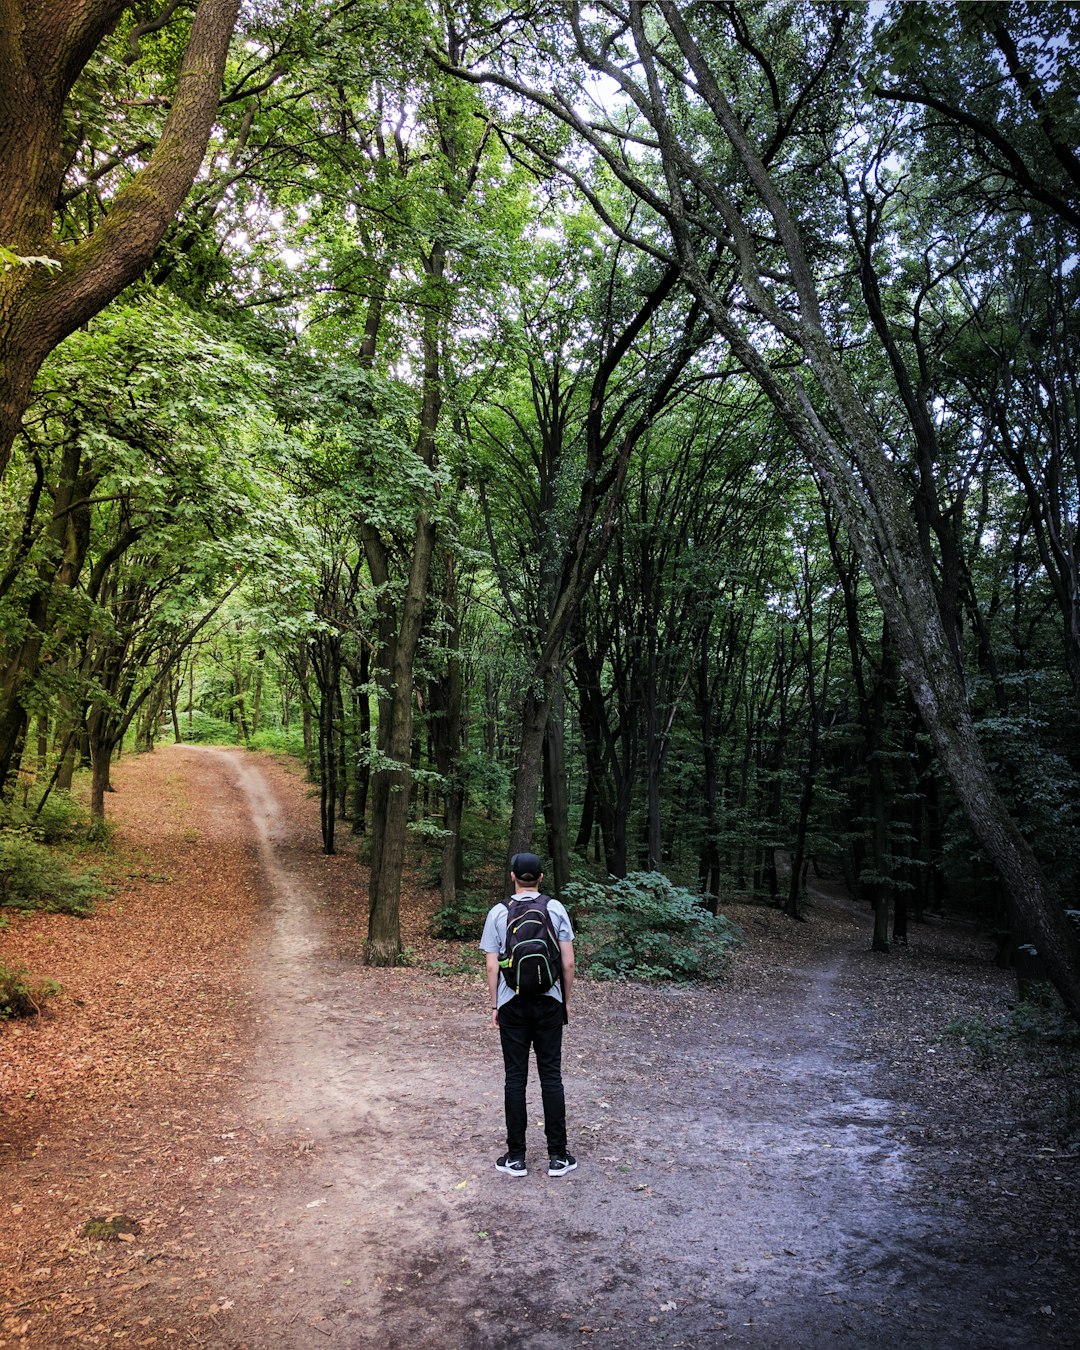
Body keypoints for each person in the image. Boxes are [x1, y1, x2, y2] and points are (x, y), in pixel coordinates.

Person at [479, 851, 576, 1178]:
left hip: (512, 1003)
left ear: (512, 877)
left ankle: (516, 1157)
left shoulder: (498, 912)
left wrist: (495, 1004)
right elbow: (568, 963)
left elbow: (492, 964)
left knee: (515, 1077)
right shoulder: (555, 908)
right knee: (551, 1075)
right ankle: (558, 1156)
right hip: (549, 1001)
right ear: (541, 878)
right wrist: (565, 1001)